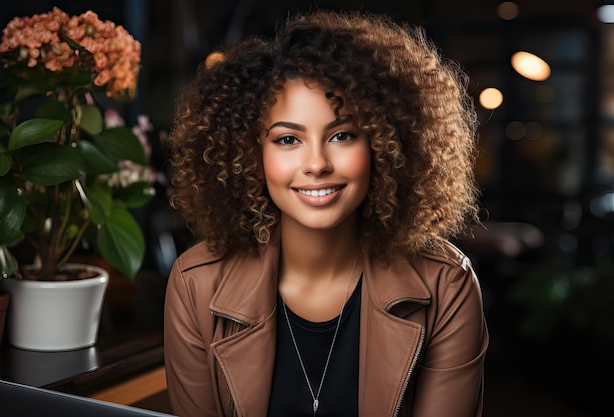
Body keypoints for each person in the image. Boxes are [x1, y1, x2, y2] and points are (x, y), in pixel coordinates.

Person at [164, 9, 488, 417]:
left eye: (341, 135)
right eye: (287, 139)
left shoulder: (446, 285)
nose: (316, 163)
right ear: (249, 155)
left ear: (385, 146)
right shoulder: (196, 286)